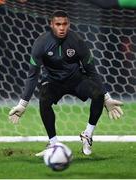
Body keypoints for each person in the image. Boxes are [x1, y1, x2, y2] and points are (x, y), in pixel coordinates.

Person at [9, 10, 123, 156]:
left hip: (76, 80)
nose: (61, 28)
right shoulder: (41, 43)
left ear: (68, 24)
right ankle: (53, 143)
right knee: (44, 99)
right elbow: (33, 75)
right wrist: (22, 104)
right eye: (58, 24)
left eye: (64, 24)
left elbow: (91, 71)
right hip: (53, 82)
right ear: (51, 25)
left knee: (98, 95)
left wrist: (106, 98)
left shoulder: (77, 41)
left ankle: (87, 135)